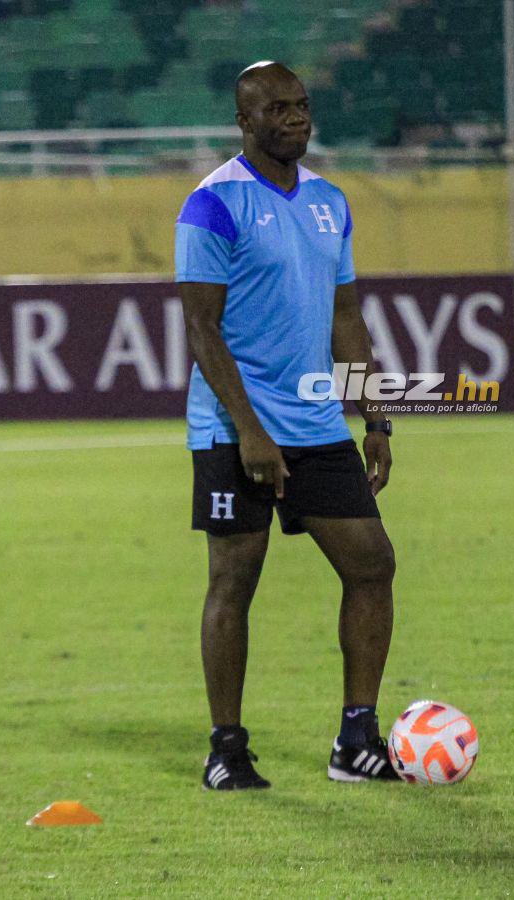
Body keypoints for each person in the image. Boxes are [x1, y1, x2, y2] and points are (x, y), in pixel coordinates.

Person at [175, 61, 399, 790]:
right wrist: (249, 431)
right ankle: (226, 749)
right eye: (278, 108)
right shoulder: (213, 205)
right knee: (235, 580)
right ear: (245, 122)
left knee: (372, 565)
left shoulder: (331, 202)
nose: (296, 118)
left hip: (315, 424)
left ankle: (357, 739)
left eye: (302, 105)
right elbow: (202, 330)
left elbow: (345, 316)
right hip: (233, 428)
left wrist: (375, 418)